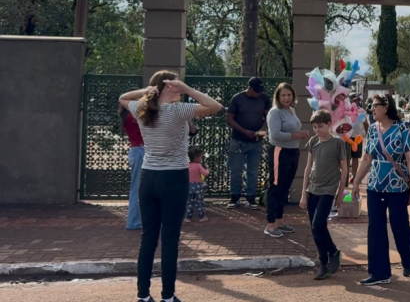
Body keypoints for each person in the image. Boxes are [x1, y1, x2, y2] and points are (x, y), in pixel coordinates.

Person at [119, 71, 222, 302]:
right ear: (169, 86)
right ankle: (168, 296)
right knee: (170, 240)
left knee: (148, 239)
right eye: (175, 82)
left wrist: (147, 92)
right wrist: (187, 90)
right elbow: (215, 106)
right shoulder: (178, 110)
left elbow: (123, 97)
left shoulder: (142, 109)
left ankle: (143, 296)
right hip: (174, 178)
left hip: (149, 178)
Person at [351, 93, 410, 286]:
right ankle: (380, 272)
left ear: (386, 107)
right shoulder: (373, 130)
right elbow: (367, 158)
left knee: (399, 226)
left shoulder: (403, 129)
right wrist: (356, 182)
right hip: (375, 186)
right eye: (371, 106)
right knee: (376, 228)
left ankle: (409, 255)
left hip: (398, 187)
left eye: (375, 106)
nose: (372, 110)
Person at [299, 110, 348, 280]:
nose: (317, 130)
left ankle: (333, 251)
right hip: (312, 190)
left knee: (318, 225)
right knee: (315, 229)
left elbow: (344, 169)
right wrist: (303, 194)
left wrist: (340, 193)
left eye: (320, 126)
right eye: (314, 127)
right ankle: (323, 263)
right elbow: (308, 168)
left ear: (328, 125)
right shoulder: (313, 142)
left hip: (328, 190)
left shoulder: (337, 143)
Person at [264, 83, 308, 238]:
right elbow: (275, 134)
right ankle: (270, 224)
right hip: (279, 151)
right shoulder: (275, 112)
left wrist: (298, 136)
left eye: (289, 95)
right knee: (276, 187)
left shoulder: (292, 111)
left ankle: (279, 220)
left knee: (285, 187)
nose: (286, 98)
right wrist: (297, 135)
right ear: (278, 97)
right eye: (283, 95)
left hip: (293, 151)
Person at [225, 77, 271, 209]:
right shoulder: (238, 98)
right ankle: (234, 197)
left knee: (253, 170)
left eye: (260, 91)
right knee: (236, 169)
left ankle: (251, 198)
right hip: (238, 139)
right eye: (256, 91)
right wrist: (244, 131)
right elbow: (229, 119)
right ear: (249, 88)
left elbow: (268, 117)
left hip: (256, 140)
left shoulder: (263, 99)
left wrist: (262, 130)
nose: (259, 94)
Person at [119, 92, 144, 230]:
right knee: (138, 187)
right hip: (140, 151)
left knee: (137, 186)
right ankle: (135, 221)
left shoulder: (127, 116)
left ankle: (136, 220)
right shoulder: (133, 116)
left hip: (137, 151)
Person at [185, 146, 209, 224]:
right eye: (200, 157)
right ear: (196, 157)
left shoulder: (187, 165)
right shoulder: (198, 165)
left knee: (189, 202)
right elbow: (205, 174)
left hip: (189, 186)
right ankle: (201, 216)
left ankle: (188, 217)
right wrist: (207, 170)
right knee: (199, 202)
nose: (201, 158)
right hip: (198, 186)